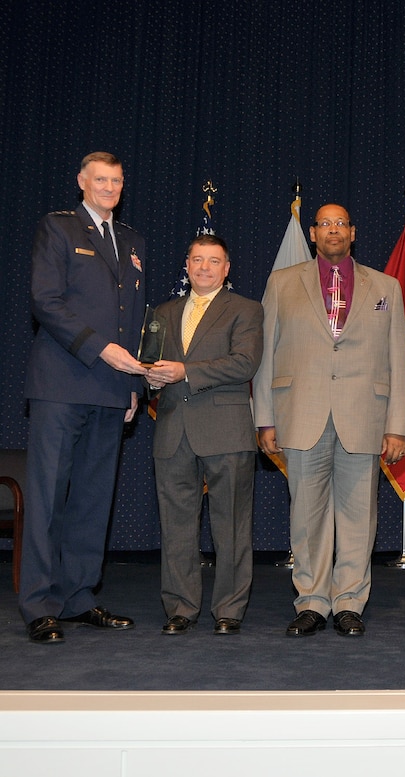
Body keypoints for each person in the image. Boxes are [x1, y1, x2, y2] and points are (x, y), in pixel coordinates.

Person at [253, 203, 405, 638]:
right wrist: (265, 417)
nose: (334, 231)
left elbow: (400, 358)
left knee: (359, 516)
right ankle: (312, 602)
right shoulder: (283, 283)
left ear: (353, 232)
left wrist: (397, 424)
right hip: (300, 413)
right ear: (313, 233)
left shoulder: (386, 287)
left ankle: (349, 602)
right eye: (326, 224)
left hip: (364, 416)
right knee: (307, 516)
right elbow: (266, 353)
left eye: (341, 224)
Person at [20, 151, 147, 645]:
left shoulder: (133, 240)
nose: (109, 187)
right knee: (49, 497)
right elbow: (45, 301)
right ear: (82, 182)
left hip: (113, 388)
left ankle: (77, 598)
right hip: (61, 384)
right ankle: (38, 604)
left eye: (116, 180)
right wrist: (103, 350)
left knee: (94, 500)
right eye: (100, 179)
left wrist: (133, 383)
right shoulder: (58, 229)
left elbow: (132, 318)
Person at [145, 234, 263, 636]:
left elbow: (245, 363)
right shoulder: (162, 310)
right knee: (175, 525)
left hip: (226, 430)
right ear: (187, 264)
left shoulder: (246, 309)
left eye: (213, 261)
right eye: (197, 259)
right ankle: (180, 607)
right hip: (173, 429)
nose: (204, 267)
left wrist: (185, 371)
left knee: (230, 525)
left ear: (226, 268)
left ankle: (229, 609)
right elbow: (150, 365)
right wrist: (150, 380)